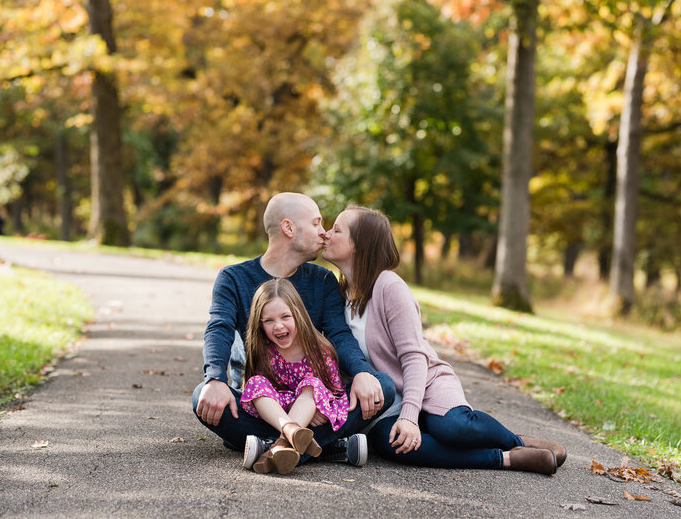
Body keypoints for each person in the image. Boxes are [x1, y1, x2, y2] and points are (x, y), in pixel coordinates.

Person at [322, 206, 567, 474]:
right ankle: (507, 458)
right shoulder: (339, 293)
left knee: (455, 428)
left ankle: (516, 442)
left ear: (360, 245)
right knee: (392, 445)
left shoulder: (389, 287)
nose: (326, 234)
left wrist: (410, 416)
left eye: (337, 230)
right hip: (388, 404)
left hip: (426, 385)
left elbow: (415, 358)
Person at [192, 192, 395, 467]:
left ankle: (272, 448)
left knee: (381, 386)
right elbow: (219, 329)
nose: (324, 233)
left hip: (313, 398)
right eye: (316, 224)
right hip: (261, 404)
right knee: (201, 397)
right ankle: (325, 446)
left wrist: (362, 371)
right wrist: (215, 378)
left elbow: (339, 334)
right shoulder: (234, 278)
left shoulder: (322, 280)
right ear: (289, 228)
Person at [240, 278, 348, 474]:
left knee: (312, 384)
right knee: (256, 383)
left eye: (285, 317)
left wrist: (321, 408)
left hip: (310, 411)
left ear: (298, 314)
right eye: (269, 321)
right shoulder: (264, 351)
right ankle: (291, 431)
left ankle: (278, 446)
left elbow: (336, 392)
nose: (278, 326)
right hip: (276, 414)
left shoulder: (320, 351)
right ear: (260, 324)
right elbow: (257, 391)